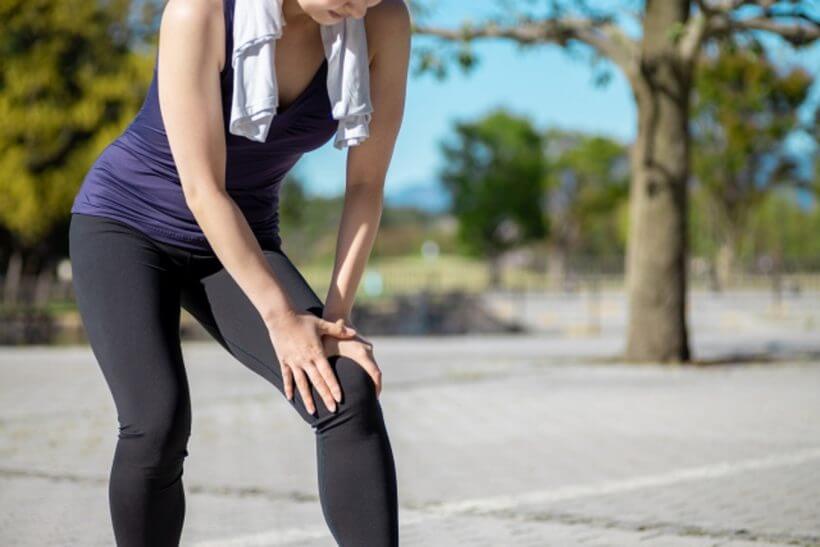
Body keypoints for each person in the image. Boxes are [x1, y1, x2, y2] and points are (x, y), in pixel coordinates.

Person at [67, 0, 411, 545]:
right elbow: (203, 190)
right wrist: (280, 317)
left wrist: (334, 327)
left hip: (242, 235)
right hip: (125, 225)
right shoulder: (198, 12)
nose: (359, 2)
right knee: (156, 424)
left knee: (345, 386)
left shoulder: (383, 21)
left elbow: (366, 186)